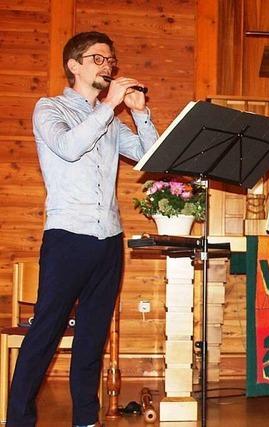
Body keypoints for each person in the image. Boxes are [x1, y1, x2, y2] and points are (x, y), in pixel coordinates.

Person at [7, 31, 158, 427]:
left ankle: (86, 421)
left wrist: (140, 113)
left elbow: (149, 157)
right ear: (73, 65)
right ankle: (19, 420)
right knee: (45, 334)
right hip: (67, 237)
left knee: (93, 338)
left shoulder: (108, 120)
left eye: (110, 61)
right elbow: (70, 147)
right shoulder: (49, 108)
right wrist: (109, 106)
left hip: (109, 239)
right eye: (97, 59)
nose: (107, 67)